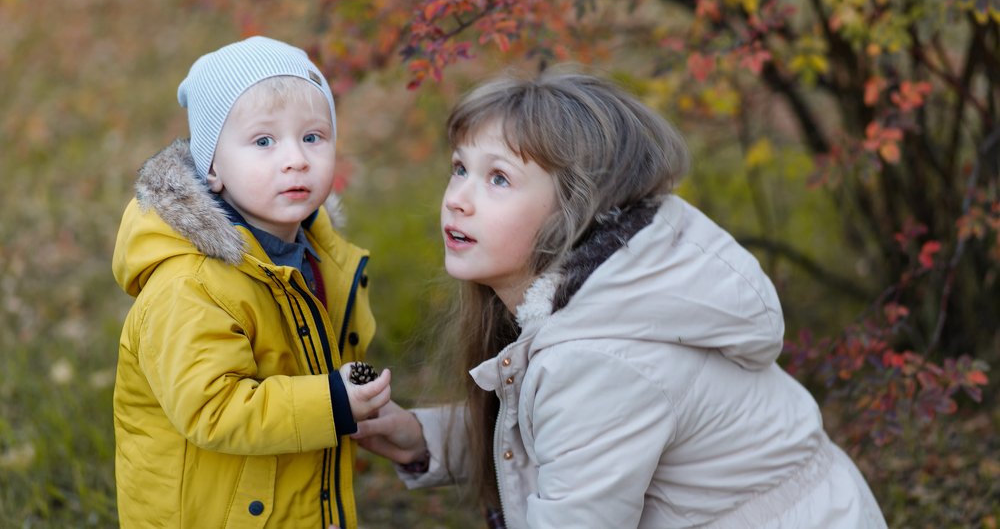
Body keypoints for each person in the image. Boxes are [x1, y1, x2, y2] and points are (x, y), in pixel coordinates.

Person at [352, 68, 887, 528]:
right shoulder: (608, 292)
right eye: (460, 169)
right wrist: (423, 439)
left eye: (498, 178)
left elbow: (586, 431)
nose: (459, 200)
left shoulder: (599, 359)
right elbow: (574, 445)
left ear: (576, 209)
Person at [112, 36, 390, 529]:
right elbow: (213, 408)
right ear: (212, 167)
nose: (296, 159)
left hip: (290, 498)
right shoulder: (190, 285)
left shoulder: (315, 254)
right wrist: (331, 402)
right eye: (264, 141)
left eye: (313, 137)